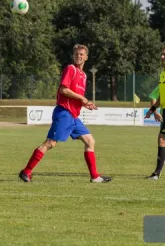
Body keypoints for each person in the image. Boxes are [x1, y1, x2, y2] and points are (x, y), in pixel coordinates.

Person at [19, 44, 112, 183]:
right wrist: (82, 98)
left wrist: (86, 104)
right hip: (64, 113)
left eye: (81, 54)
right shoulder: (71, 69)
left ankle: (95, 176)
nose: (78, 56)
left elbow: (77, 96)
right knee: (50, 143)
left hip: (74, 116)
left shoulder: (84, 76)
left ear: (86, 57)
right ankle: (26, 172)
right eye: (76, 54)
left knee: (90, 141)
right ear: (73, 56)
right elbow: (64, 90)